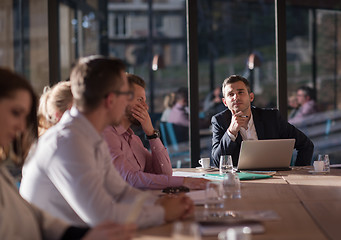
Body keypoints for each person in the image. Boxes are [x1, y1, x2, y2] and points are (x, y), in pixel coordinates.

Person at [20, 56, 193, 229]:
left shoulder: (91, 136)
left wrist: (163, 204)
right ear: (110, 100)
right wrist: (162, 212)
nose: (129, 103)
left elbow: (120, 191)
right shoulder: (67, 143)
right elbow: (103, 216)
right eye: (127, 95)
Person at [0, 67, 135, 240]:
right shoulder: (61, 147)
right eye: (15, 113)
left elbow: (40, 220)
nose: (21, 127)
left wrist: (87, 236)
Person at [103, 73, 208, 190]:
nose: (145, 107)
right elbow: (129, 179)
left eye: (144, 100)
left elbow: (165, 173)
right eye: (139, 100)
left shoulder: (134, 140)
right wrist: (183, 181)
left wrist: (152, 134)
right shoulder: (107, 135)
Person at [211, 75, 314, 167]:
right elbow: (216, 162)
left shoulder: (271, 118)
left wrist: (298, 171)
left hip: (274, 178)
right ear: (225, 102)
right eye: (230, 94)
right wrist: (231, 132)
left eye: (240, 92)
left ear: (251, 97)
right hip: (239, 181)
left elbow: (306, 145)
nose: (236, 97)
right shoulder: (220, 121)